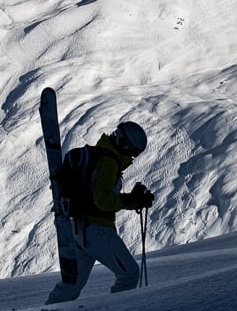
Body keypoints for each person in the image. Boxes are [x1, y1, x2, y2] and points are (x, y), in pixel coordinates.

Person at [46, 121, 156, 304]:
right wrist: (132, 200)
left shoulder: (97, 156)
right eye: (134, 152)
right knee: (129, 274)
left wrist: (131, 198)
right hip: (97, 230)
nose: (133, 157)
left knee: (72, 285)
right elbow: (102, 200)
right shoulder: (108, 162)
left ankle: (50, 308)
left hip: (80, 229)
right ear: (126, 146)